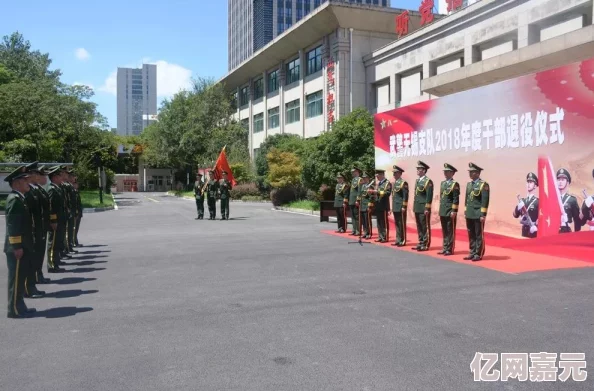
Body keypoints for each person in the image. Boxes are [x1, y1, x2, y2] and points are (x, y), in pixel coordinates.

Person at [4, 166, 36, 318]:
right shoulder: (14, 200)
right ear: (16, 183)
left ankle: (20, 306)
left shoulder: (20, 199)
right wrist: (16, 246)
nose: (28, 182)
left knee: (20, 277)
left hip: (22, 245)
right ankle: (15, 309)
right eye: (25, 180)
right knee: (16, 279)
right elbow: (13, 225)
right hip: (17, 247)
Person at [22, 162, 46, 298]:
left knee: (35, 257)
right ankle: (28, 287)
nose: (37, 176)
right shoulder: (28, 193)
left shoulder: (34, 189)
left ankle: (33, 284)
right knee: (30, 260)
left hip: (38, 228)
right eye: (35, 173)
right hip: (31, 230)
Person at [464, 162, 490, 262]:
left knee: (478, 234)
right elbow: (466, 199)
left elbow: (485, 200)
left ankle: (478, 253)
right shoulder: (469, 185)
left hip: (478, 213)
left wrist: (483, 214)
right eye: (470, 172)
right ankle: (472, 251)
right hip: (470, 213)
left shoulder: (483, 185)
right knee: (471, 233)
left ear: (478, 173)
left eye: (472, 172)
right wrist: (466, 210)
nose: (470, 174)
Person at [46, 166, 66, 273]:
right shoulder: (51, 189)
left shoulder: (57, 188)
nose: (61, 177)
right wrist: (53, 220)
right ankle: (51, 265)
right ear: (54, 177)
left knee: (57, 242)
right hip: (55, 221)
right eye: (59, 176)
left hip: (60, 220)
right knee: (53, 243)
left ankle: (56, 262)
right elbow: (51, 206)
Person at [438, 163, 460, 256]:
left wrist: (454, 211)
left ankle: (450, 249)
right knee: (444, 230)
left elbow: (455, 199)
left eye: (447, 171)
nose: (445, 173)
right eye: (445, 171)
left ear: (452, 173)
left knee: (450, 230)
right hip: (443, 209)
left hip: (450, 210)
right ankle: (445, 247)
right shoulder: (443, 183)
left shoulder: (454, 184)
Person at [412, 161, 433, 251]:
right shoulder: (418, 181)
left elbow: (429, 196)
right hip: (417, 206)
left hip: (423, 207)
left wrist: (427, 208)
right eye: (417, 169)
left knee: (425, 226)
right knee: (419, 225)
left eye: (419, 169)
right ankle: (420, 242)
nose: (417, 170)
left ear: (424, 171)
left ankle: (425, 243)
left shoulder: (428, 181)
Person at [512, 172, 539, 238]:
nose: (528, 184)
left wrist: (536, 227)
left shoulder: (538, 201)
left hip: (534, 232)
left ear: (535, 186)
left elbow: (542, 218)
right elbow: (515, 215)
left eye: (531, 182)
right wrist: (517, 208)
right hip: (523, 232)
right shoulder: (522, 201)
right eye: (528, 182)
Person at [556, 168, 583, 233]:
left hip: (566, 231)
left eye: (562, 180)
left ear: (567, 182)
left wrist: (576, 235)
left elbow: (577, 220)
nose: (560, 182)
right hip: (554, 231)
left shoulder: (572, 200)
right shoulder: (553, 199)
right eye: (559, 179)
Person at [371, 169, 392, 243]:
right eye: (376, 176)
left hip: (383, 205)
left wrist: (378, 191)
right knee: (379, 222)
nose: (377, 177)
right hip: (378, 205)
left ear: (382, 175)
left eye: (378, 175)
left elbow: (388, 193)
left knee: (384, 222)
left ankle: (384, 237)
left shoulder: (387, 183)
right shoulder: (378, 184)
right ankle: (380, 236)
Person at [391, 165, 408, 247]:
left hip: (401, 206)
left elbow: (405, 196)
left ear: (399, 173)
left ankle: (403, 240)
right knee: (397, 224)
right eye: (393, 173)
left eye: (395, 173)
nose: (394, 175)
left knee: (401, 224)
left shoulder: (403, 183)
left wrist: (404, 206)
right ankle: (398, 239)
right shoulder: (395, 183)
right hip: (395, 206)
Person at [348, 166, 362, 236]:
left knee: (357, 217)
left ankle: (358, 231)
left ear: (357, 172)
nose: (352, 173)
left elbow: (359, 191)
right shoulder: (353, 180)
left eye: (353, 172)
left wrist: (358, 200)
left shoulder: (359, 180)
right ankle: (354, 230)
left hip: (356, 201)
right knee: (353, 216)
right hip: (351, 200)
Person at [359, 173, 374, 239]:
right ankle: (365, 232)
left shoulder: (370, 186)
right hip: (362, 205)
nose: (364, 179)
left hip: (367, 205)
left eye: (365, 178)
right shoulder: (362, 186)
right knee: (364, 221)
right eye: (363, 178)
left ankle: (369, 233)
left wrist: (369, 206)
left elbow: (371, 197)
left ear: (368, 179)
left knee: (367, 220)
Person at [73, 178, 83, 247]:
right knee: (74, 228)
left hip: (78, 213)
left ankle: (75, 241)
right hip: (75, 213)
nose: (77, 185)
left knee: (76, 229)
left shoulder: (76, 191)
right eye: (76, 184)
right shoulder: (73, 191)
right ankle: (73, 242)